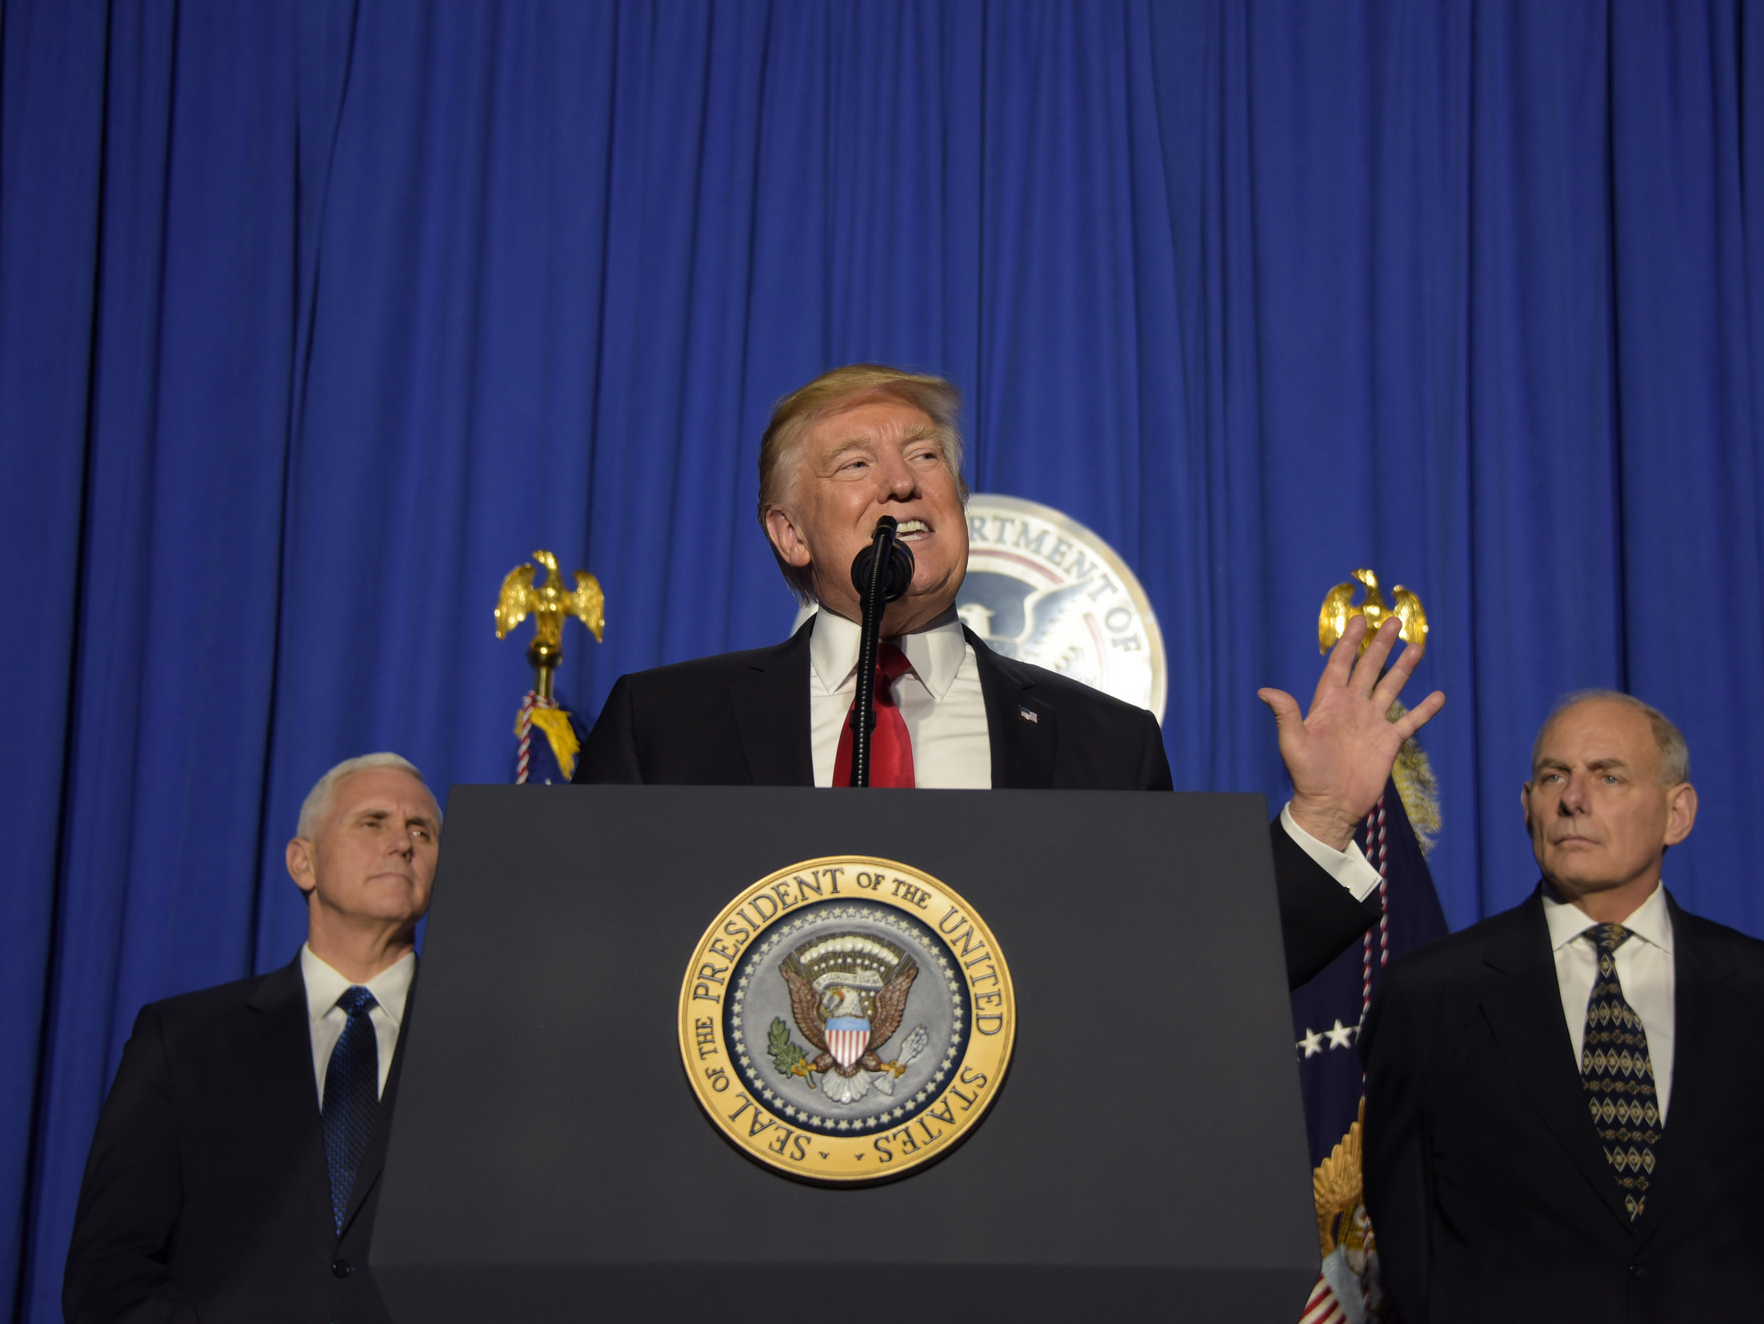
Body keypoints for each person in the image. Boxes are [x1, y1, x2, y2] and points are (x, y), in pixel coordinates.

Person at [574, 363, 1441, 985]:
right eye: (856, 465)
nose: (903, 485)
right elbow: (587, 957)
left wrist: (1324, 816)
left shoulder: (1104, 744)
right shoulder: (665, 723)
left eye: (925, 457)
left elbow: (1193, 978)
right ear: (790, 535)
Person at [1360, 692, 1764, 1323]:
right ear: (1526, 808)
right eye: (1552, 777)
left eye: (1609, 776)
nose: (1573, 799)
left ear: (1677, 814)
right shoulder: (1429, 998)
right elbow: (1408, 1246)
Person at [64, 754, 442, 1324]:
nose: (402, 843)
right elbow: (110, 1270)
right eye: (373, 822)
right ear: (303, 863)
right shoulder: (184, 1041)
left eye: (422, 830)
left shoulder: (485, 1049)